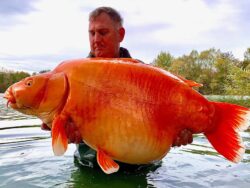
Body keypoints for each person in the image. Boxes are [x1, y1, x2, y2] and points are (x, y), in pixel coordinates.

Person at [42, 6, 193, 168]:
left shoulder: (146, 76)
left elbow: (166, 119)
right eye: (92, 33)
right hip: (89, 165)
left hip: (138, 168)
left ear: (120, 34)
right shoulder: (71, 76)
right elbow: (52, 122)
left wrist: (177, 134)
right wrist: (61, 130)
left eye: (103, 32)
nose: (96, 39)